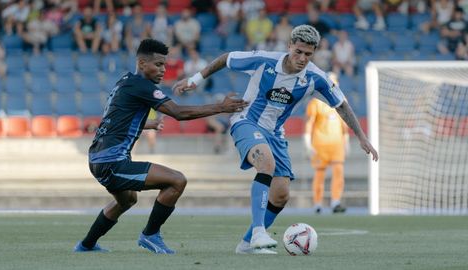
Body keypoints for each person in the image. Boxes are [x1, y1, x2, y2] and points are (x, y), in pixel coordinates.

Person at [173, 25, 378, 255]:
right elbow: (227, 58)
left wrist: (361, 137)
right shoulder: (264, 60)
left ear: (314, 53)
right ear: (289, 46)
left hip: (276, 134)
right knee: (266, 163)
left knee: (281, 195)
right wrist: (196, 78)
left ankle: (247, 244)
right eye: (298, 51)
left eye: (308, 54)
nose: (302, 58)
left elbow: (341, 104)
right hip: (246, 121)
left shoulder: (315, 78)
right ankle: (260, 231)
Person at [73, 38, 248, 254]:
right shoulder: (142, 86)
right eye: (158, 64)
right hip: (112, 162)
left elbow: (116, 119)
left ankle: (86, 245)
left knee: (127, 200)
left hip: (99, 159)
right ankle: (150, 235)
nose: (163, 70)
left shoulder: (125, 81)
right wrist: (221, 107)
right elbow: (178, 113)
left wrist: (147, 124)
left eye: (165, 65)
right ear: (142, 63)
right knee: (177, 180)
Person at [304, 72, 350, 214]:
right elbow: (309, 124)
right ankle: (318, 203)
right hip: (320, 144)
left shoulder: (342, 101)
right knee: (319, 174)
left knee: (338, 173)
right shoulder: (316, 103)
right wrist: (307, 143)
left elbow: (345, 124)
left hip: (336, 144)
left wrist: (346, 142)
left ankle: (336, 202)